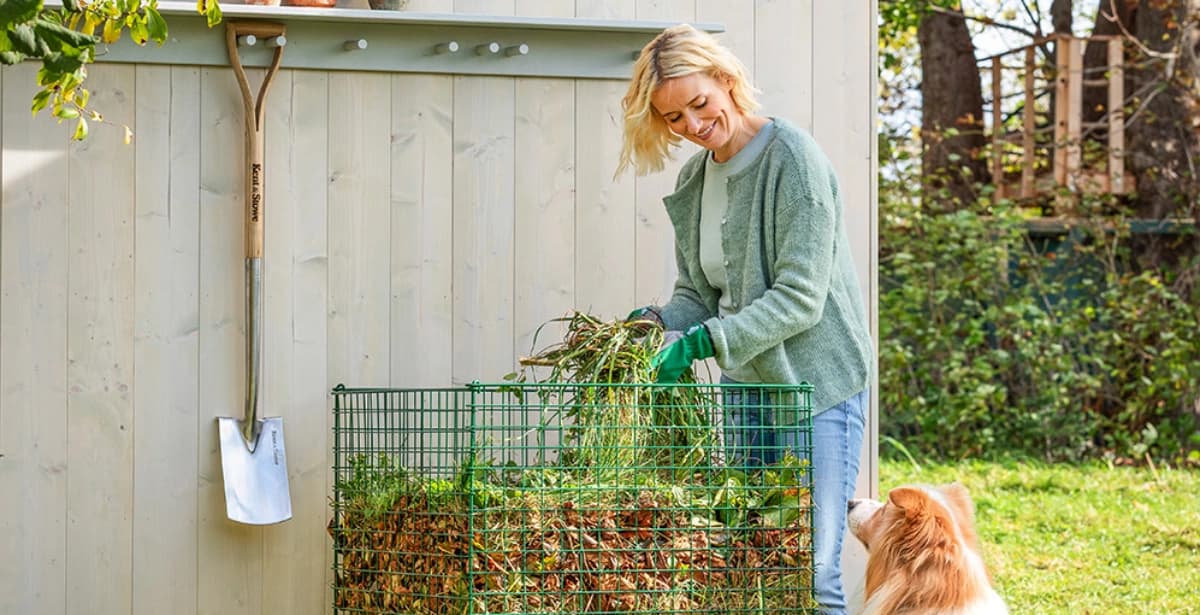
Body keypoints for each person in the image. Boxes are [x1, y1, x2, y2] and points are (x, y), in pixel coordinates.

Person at [617, 23, 875, 615]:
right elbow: (698, 293)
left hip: (816, 388)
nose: (692, 126)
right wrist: (658, 325)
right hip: (747, 391)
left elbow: (800, 297)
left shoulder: (793, 159)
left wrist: (702, 341)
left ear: (727, 81)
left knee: (810, 566)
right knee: (754, 558)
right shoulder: (694, 178)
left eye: (699, 104)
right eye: (674, 119)